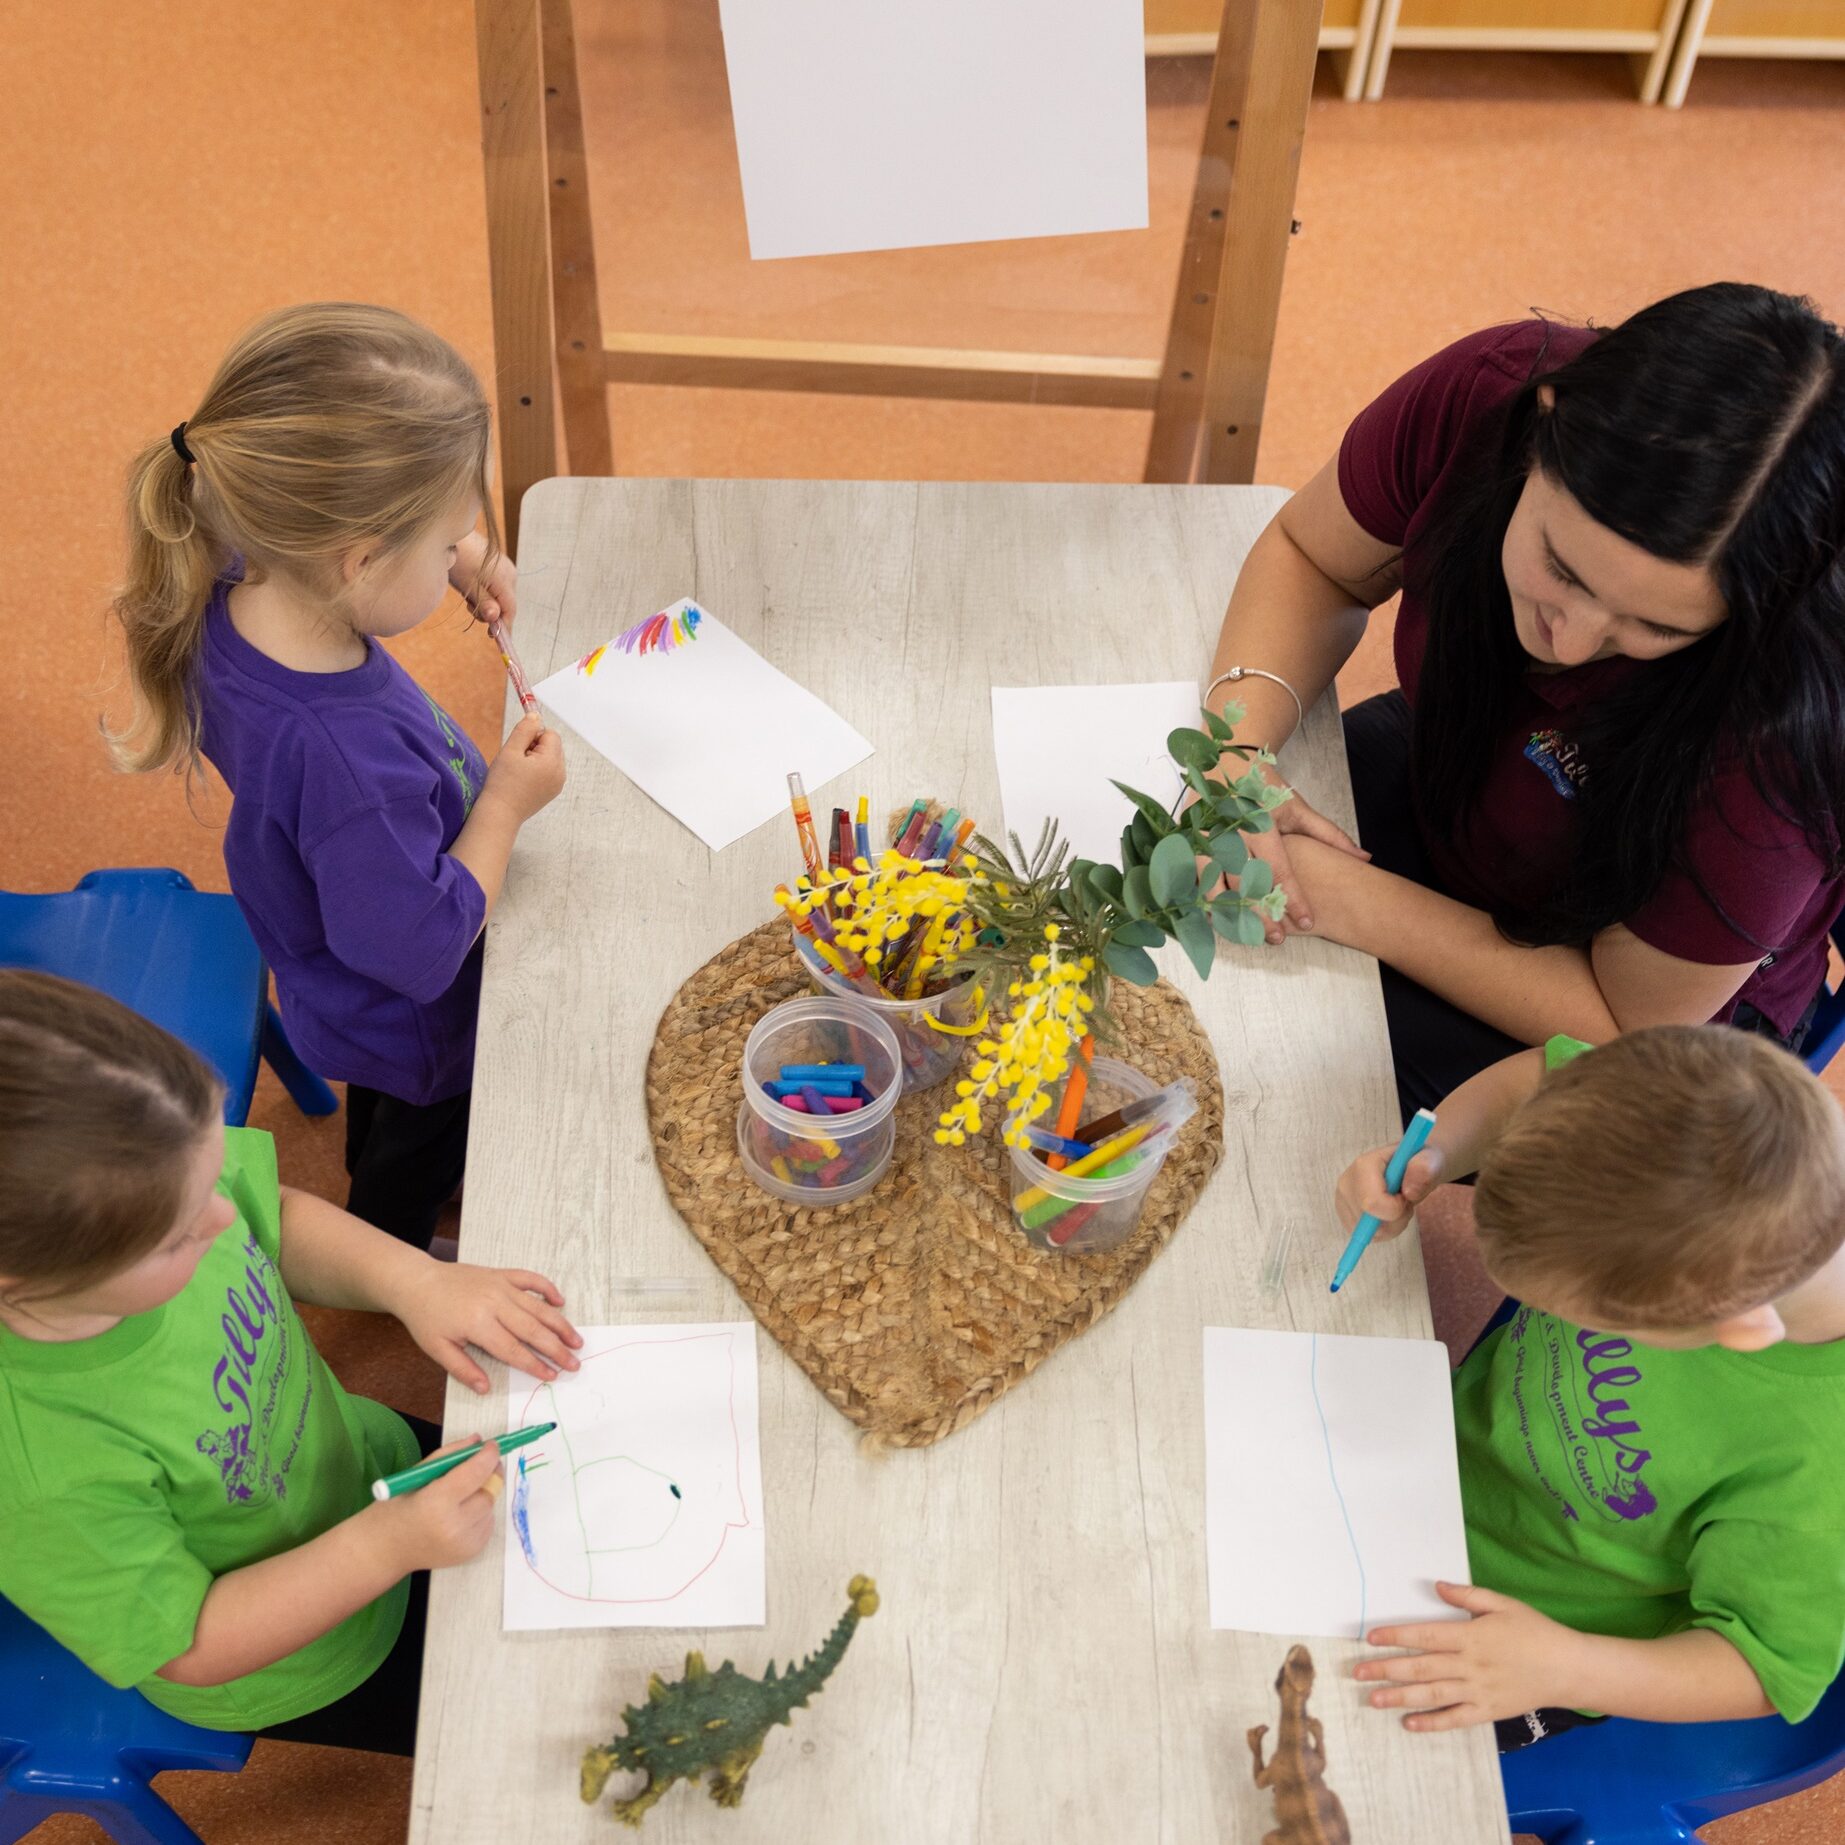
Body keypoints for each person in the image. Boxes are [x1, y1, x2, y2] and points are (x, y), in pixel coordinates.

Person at [1203, 284, 1845, 1119]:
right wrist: (1235, 757)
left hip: (1625, 1005)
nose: (1567, 644)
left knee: (1251, 1081)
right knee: (1160, 900)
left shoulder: (1781, 733)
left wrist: (1337, 897)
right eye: (1563, 569)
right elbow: (1312, 555)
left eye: (1653, 626)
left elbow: (1623, 1025)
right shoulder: (1488, 390)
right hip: (1463, 773)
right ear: (1542, 427)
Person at [0, 969, 582, 1754]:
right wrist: (386, 1545)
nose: (221, 1215)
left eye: (209, 1178)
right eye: (177, 1235)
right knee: (550, 1717)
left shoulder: (151, 1184)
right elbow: (190, 1642)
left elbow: (274, 1215)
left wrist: (417, 1280)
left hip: (371, 1465)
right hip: (312, 1650)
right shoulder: (39, 1473)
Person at [108, 302, 565, 1247]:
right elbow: (419, 947)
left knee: (384, 1117)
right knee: (414, 1149)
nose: (459, 558)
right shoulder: (349, 763)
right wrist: (507, 807)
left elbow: (343, 540)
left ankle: (381, 1172)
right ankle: (390, 1249)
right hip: (418, 1022)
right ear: (358, 559)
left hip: (331, 962)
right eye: (444, 542)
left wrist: (458, 552)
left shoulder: (235, 568)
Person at [1333, 1025, 1845, 1749]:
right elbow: (1531, 1081)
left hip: (1519, 1643)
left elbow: (1764, 1667)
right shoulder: (1700, 1114)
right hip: (1419, 1463)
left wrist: (1566, 1665)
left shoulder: (1819, 1464)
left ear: (1737, 1328)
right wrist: (1432, 1157)